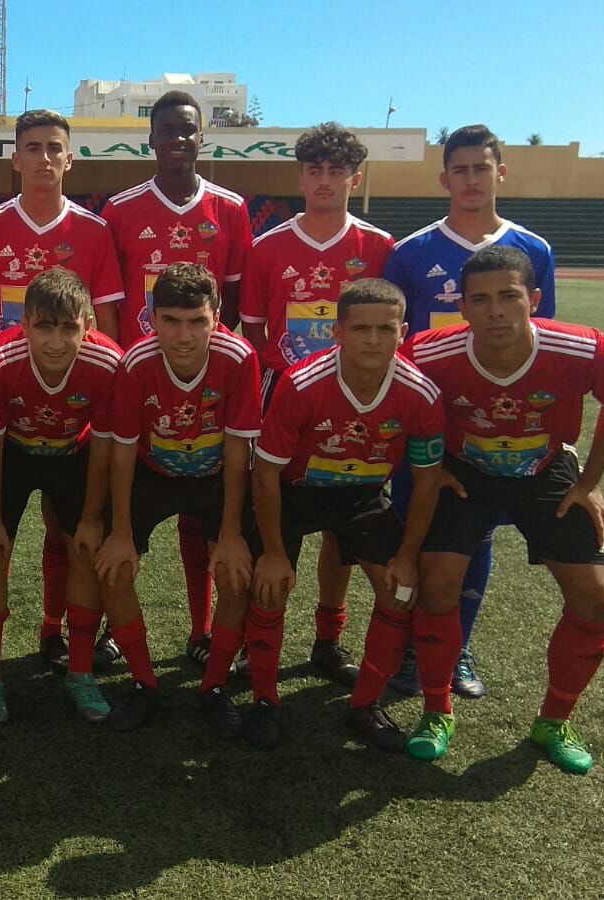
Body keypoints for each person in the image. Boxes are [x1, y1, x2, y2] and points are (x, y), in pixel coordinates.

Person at [401, 246, 604, 775]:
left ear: (534, 299)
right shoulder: (429, 352)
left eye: (508, 296)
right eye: (480, 300)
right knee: (435, 585)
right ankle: (436, 711)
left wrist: (590, 481)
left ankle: (554, 720)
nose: (495, 311)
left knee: (597, 597)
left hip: (544, 468)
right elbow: (396, 397)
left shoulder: (582, 348)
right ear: (462, 307)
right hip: (465, 472)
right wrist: (429, 468)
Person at [211, 278, 443, 751]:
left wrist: (406, 554)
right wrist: (273, 553)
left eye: (385, 329)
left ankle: (365, 704)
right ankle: (264, 699)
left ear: (403, 332)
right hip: (293, 493)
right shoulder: (302, 384)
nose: (373, 340)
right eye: (361, 329)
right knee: (268, 586)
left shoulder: (421, 394)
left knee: (400, 591)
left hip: (361, 496)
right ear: (337, 333)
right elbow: (266, 475)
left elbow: (426, 483)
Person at [383, 124, 560, 698]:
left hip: (493, 427)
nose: (471, 179)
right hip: (426, 425)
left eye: (481, 168)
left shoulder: (533, 250)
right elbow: (394, 345)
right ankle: (408, 648)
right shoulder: (410, 253)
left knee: (476, 537)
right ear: (444, 179)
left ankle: (456, 647)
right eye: (459, 170)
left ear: (499, 173)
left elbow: (543, 343)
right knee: (413, 535)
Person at [0, 109, 125, 671]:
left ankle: (58, 632)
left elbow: (106, 329)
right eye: (33, 148)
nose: (44, 158)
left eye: (54, 148)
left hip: (72, 420)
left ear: (69, 160)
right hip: (6, 411)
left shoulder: (94, 232)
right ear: (15, 160)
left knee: (69, 532)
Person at [238, 122, 396, 685]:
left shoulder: (381, 248)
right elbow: (254, 332)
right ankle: (253, 646)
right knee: (274, 518)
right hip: (287, 403)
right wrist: (294, 381)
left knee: (343, 529)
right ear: (300, 177)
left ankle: (328, 640)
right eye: (314, 170)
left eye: (336, 171)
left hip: (359, 408)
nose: (325, 180)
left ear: (356, 178)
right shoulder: (267, 247)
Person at [102, 89, 256, 667]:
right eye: (166, 129)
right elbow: (111, 301)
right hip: (142, 381)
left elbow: (233, 302)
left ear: (202, 137)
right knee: (125, 515)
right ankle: (111, 631)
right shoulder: (120, 209)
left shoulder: (230, 208)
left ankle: (204, 630)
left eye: (187, 129)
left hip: (206, 380)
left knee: (204, 523)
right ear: (151, 139)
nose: (177, 139)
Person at [0, 267, 123, 734]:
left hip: (72, 453)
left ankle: (80, 672)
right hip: (11, 456)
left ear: (88, 325)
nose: (56, 342)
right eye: (44, 327)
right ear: (23, 325)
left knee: (86, 549)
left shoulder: (107, 362)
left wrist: (92, 517)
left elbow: (104, 447)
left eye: (68, 328)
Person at [93, 263, 261, 731]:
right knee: (114, 568)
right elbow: (122, 451)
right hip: (153, 474)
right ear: (152, 317)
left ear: (218, 317)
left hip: (216, 476)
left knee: (234, 574)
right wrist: (121, 531)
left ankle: (215, 685)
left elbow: (237, 449)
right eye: (170, 321)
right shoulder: (136, 362)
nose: (184, 336)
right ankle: (144, 683)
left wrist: (231, 533)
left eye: (197, 321)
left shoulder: (239, 357)